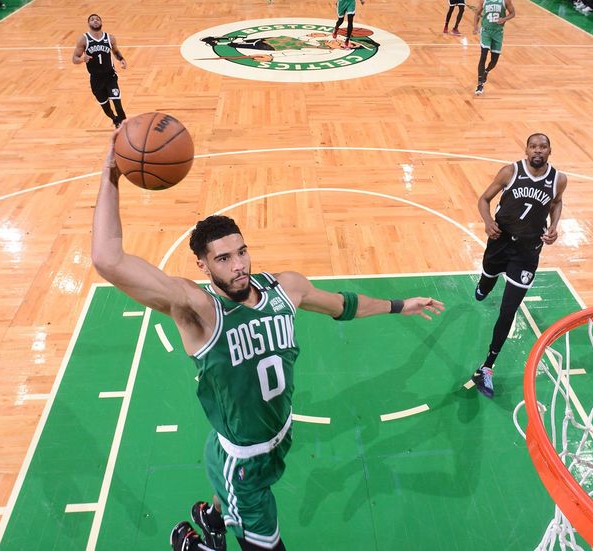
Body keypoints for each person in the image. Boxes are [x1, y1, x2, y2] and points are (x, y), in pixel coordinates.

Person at [91, 128, 445, 551]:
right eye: (223, 259)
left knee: (244, 488)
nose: (238, 265)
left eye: (241, 251)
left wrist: (399, 305)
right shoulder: (197, 310)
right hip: (242, 464)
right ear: (202, 266)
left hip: (277, 438)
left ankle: (213, 517)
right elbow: (107, 258)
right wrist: (111, 176)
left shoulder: (285, 288)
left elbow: (342, 305)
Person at [470, 133, 567, 399]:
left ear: (550, 150)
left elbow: (556, 204)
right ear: (526, 150)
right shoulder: (510, 172)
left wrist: (555, 227)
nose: (538, 150)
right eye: (533, 146)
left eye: (543, 147)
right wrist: (487, 221)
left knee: (508, 309)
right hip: (500, 243)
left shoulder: (558, 179)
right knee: (487, 282)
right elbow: (483, 199)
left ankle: (487, 367)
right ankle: (484, 283)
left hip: (527, 252)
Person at [72, 14, 128, 128]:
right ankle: (115, 119)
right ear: (89, 24)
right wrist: (83, 59)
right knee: (106, 108)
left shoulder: (110, 38)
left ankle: (125, 126)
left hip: (110, 76)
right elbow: (74, 59)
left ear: (101, 22)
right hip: (96, 79)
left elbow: (116, 52)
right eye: (92, 19)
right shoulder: (83, 39)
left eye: (97, 19)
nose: (95, 21)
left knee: (117, 103)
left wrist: (122, 59)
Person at [473, 0, 516, 95]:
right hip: (486, 32)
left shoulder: (505, 1)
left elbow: (513, 13)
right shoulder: (484, 1)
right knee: (483, 56)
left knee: (494, 61)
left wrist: (504, 19)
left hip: (498, 33)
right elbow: (477, 13)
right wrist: (475, 26)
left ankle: (486, 71)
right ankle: (480, 85)